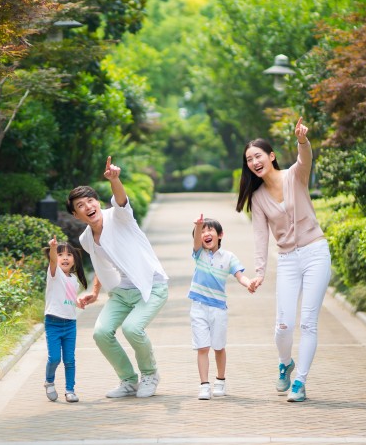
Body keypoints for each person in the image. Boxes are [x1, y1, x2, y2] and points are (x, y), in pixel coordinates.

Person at [236, 117, 331, 403]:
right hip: (288, 259)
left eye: (258, 156)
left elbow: (305, 159)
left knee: (308, 323)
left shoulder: (294, 176)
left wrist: (302, 140)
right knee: (284, 325)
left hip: (316, 252)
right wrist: (260, 273)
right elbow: (261, 238)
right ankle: (285, 362)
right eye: (249, 159)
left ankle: (300, 381)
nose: (254, 162)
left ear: (271, 156)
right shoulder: (257, 198)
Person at [70, 156, 169, 399]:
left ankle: (150, 374)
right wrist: (94, 291)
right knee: (101, 333)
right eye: (81, 205)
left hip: (151, 285)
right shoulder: (85, 238)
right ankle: (128, 380)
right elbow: (102, 265)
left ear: (98, 202)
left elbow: (121, 200)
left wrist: (115, 179)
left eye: (91, 200)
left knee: (132, 328)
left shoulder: (119, 216)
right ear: (75, 214)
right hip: (122, 292)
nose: (88, 206)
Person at [189, 214, 251, 400]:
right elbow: (197, 239)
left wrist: (250, 284)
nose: (206, 234)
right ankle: (204, 385)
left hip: (219, 309)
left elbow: (240, 276)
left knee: (218, 347)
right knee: (202, 347)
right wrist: (198, 226)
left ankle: (220, 381)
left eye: (210, 230)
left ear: (220, 234)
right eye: (202, 231)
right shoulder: (198, 254)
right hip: (198, 307)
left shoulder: (229, 257)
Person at [43, 235, 88, 403]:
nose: (65, 258)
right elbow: (53, 261)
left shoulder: (73, 279)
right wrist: (53, 248)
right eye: (61, 255)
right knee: (55, 358)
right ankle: (49, 381)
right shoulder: (54, 274)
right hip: (53, 323)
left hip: (70, 324)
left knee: (69, 359)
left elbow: (70, 297)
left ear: (74, 259)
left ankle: (70, 390)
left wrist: (79, 302)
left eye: (69, 255)